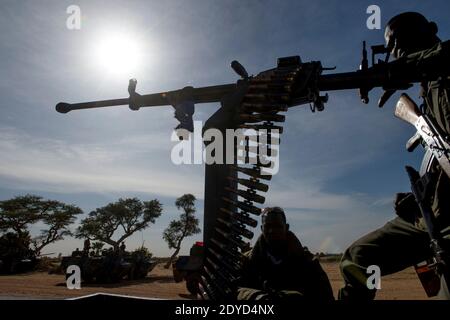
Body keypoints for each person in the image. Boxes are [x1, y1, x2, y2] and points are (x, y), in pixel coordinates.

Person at [339, 12, 450, 300]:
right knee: (357, 258)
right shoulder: (430, 92)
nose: (396, 54)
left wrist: (399, 69)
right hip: (429, 217)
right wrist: (420, 196)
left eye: (398, 46)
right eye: (393, 51)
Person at [236, 207, 334, 301]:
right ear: (262, 228)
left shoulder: (308, 263)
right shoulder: (247, 262)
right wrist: (256, 297)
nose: (272, 231)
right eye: (268, 226)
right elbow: (233, 291)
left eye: (277, 226)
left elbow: (326, 298)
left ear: (286, 228)